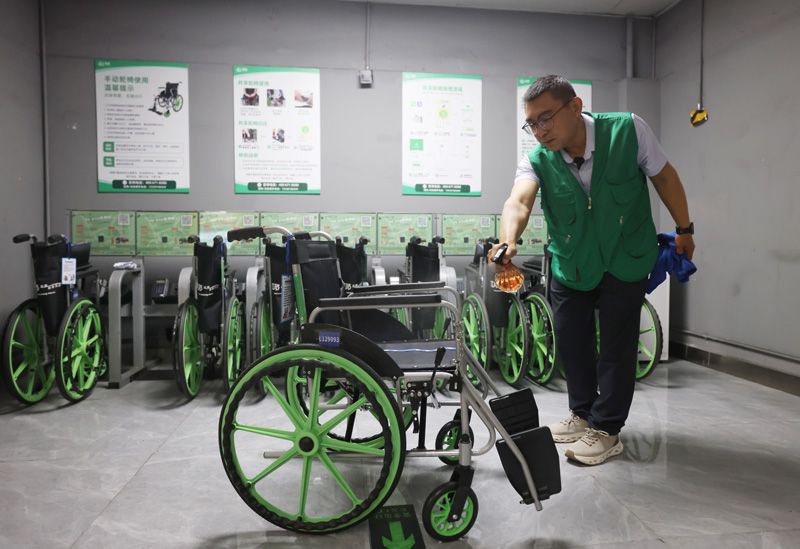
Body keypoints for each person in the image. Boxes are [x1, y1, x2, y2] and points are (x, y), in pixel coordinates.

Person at [492, 75, 695, 466]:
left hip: (625, 256)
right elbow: (518, 201)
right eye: (531, 123)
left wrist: (685, 228)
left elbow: (665, 177)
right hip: (572, 262)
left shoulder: (628, 131)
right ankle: (582, 413)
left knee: (617, 345)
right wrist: (508, 240)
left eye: (546, 118)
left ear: (575, 106)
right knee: (572, 341)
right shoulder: (536, 159)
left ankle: (606, 429)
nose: (539, 131)